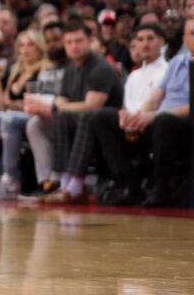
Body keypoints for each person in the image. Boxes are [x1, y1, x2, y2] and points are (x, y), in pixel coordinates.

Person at [91, 17, 192, 206]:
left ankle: (162, 188)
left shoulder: (165, 66)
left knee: (164, 121)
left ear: (162, 42)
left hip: (178, 124)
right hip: (156, 121)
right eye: (192, 34)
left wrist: (151, 116)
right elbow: (155, 98)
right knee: (101, 116)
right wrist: (134, 117)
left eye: (150, 38)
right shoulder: (177, 62)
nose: (145, 44)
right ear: (185, 39)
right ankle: (129, 184)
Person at [26, 20, 122, 202]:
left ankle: (75, 185)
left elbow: (92, 105)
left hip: (109, 125)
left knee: (84, 116)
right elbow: (62, 102)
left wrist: (55, 106)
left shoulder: (100, 67)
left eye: (79, 41)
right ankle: (62, 183)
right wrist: (54, 107)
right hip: (84, 123)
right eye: (69, 42)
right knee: (62, 116)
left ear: (89, 40)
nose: (74, 46)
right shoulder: (71, 68)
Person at [0, 28, 52, 199]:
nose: (25, 49)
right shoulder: (16, 70)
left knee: (9, 119)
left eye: (30, 45)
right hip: (13, 115)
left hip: (35, 117)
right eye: (21, 45)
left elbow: (42, 102)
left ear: (39, 47)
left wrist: (19, 106)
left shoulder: (46, 68)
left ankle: (10, 179)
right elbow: (2, 106)